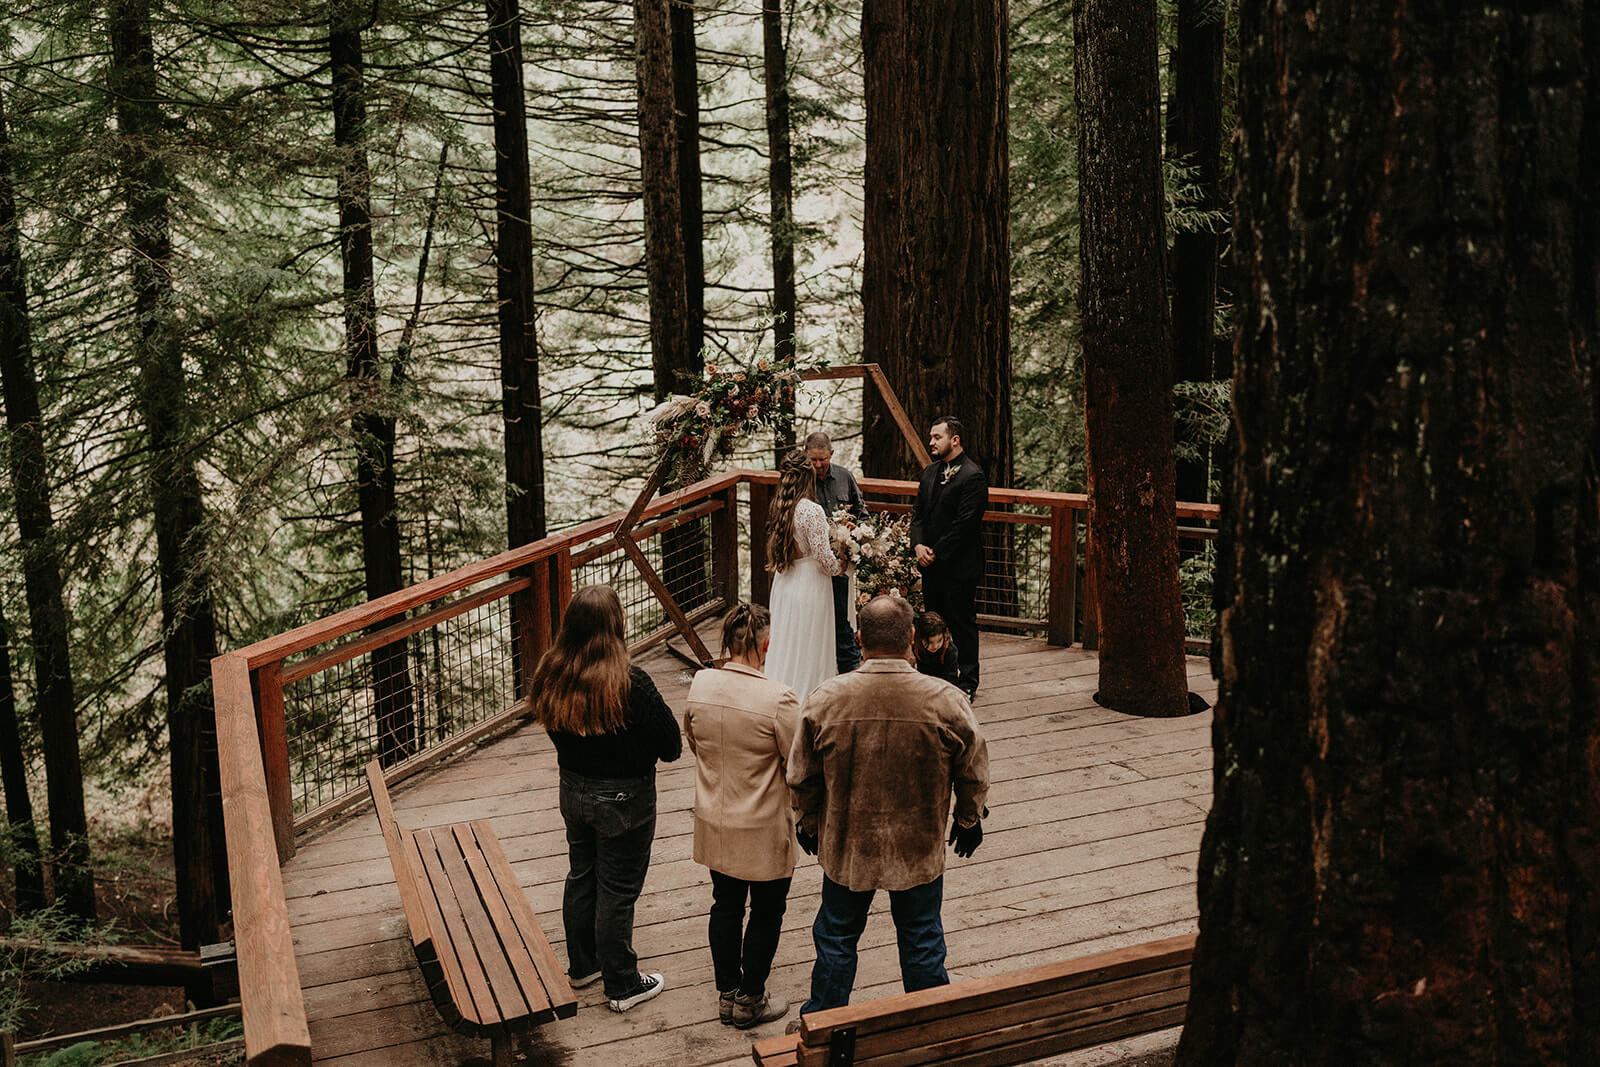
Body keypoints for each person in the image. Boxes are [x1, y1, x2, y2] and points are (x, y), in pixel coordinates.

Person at [786, 595, 990, 1017]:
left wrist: (808, 821)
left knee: (837, 939)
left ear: (859, 640)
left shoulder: (826, 699)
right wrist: (968, 818)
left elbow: (801, 775)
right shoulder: (947, 701)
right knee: (921, 938)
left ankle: (823, 1023)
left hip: (848, 847)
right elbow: (973, 769)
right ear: (913, 639)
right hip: (916, 848)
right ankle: (928, 1024)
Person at [529, 584, 682, 1013]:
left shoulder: (550, 673)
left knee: (582, 874)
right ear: (616, 625)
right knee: (617, 889)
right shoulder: (632, 684)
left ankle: (583, 964)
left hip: (573, 791)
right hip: (624, 801)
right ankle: (622, 983)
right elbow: (671, 747)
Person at [684, 604, 800, 1030]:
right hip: (764, 824)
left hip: (716, 820)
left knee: (726, 904)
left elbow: (693, 740)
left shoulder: (701, 684)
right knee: (768, 911)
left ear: (728, 642)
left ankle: (727, 992)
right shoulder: (779, 697)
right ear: (766, 645)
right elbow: (798, 763)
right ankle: (751, 998)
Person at [909, 415, 988, 699]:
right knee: (932, 622)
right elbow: (917, 514)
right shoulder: (929, 473)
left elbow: (965, 525)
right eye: (931, 437)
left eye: (937, 437)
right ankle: (933, 676)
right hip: (930, 565)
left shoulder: (972, 475)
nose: (931, 442)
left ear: (955, 440)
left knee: (962, 624)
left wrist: (936, 552)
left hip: (959, 566)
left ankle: (967, 681)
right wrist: (918, 546)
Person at [763, 449, 843, 702]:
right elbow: (823, 558)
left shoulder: (779, 506)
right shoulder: (811, 511)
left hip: (785, 582)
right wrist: (843, 565)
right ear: (808, 477)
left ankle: (780, 698)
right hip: (810, 584)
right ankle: (810, 699)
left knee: (786, 643)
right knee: (811, 645)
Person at [804, 431, 867, 674]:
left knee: (842, 617)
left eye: (822, 459)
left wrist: (857, 533)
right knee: (816, 620)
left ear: (831, 454)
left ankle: (849, 666)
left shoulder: (844, 477)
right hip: (812, 566)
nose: (818, 465)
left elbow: (862, 512)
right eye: (813, 460)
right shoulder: (801, 482)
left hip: (840, 564)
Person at [913, 610, 960, 689]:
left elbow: (952, 679)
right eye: (929, 642)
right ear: (920, 638)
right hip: (922, 682)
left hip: (944, 684)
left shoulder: (949, 649)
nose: (935, 646)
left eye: (939, 641)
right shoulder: (915, 647)